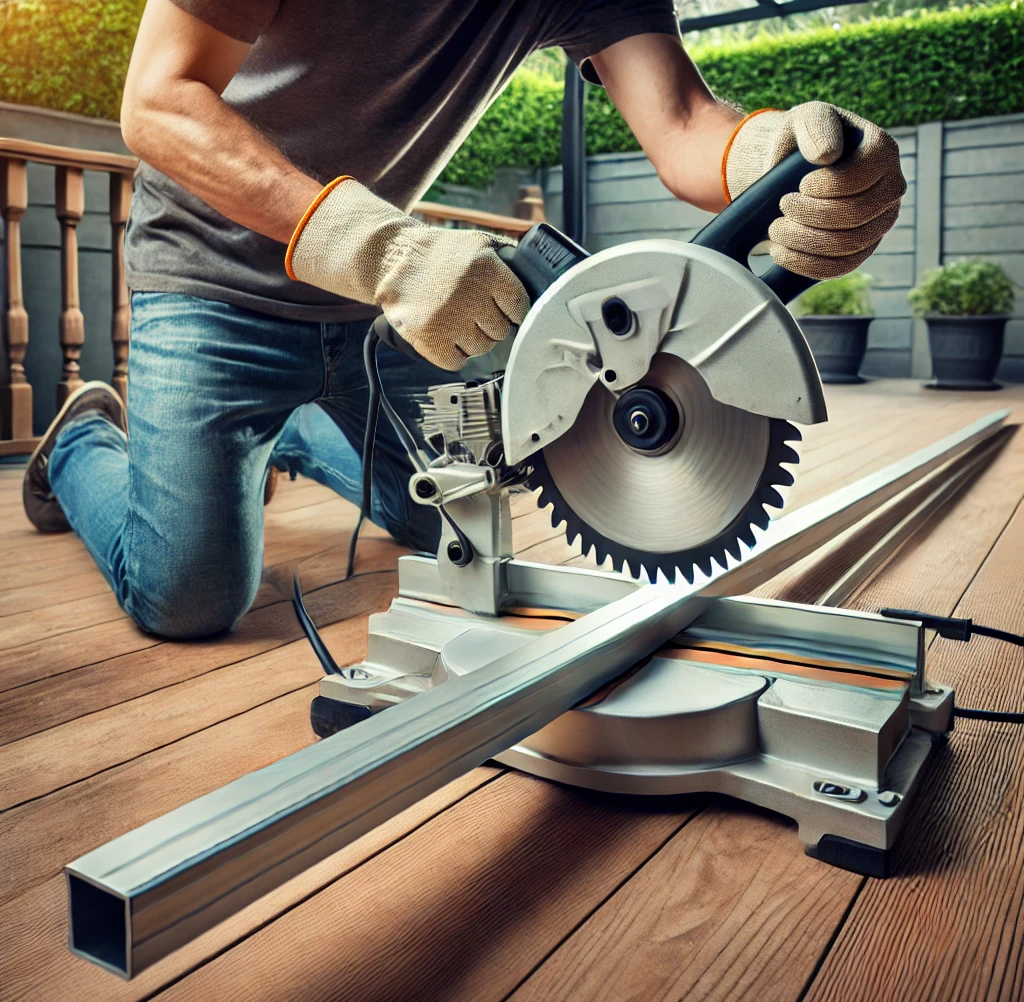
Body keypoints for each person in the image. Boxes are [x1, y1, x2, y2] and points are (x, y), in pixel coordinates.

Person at [22, 0, 906, 639]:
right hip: (212, 281)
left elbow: (682, 123)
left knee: (446, 520)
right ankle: (80, 444)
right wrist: (385, 253)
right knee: (189, 599)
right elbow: (158, 101)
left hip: (378, 307)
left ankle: (279, 431)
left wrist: (771, 158)